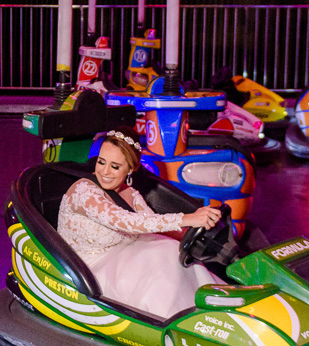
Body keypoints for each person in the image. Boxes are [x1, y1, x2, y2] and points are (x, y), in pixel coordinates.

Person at [56, 127, 224, 319]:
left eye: (115, 166)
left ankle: (212, 312)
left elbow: (150, 221)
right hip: (87, 269)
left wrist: (190, 233)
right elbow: (127, 221)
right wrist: (189, 217)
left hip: (123, 255)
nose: (104, 171)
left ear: (131, 169)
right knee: (161, 256)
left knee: (171, 250)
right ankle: (171, 321)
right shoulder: (85, 191)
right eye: (101, 162)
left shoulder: (129, 193)